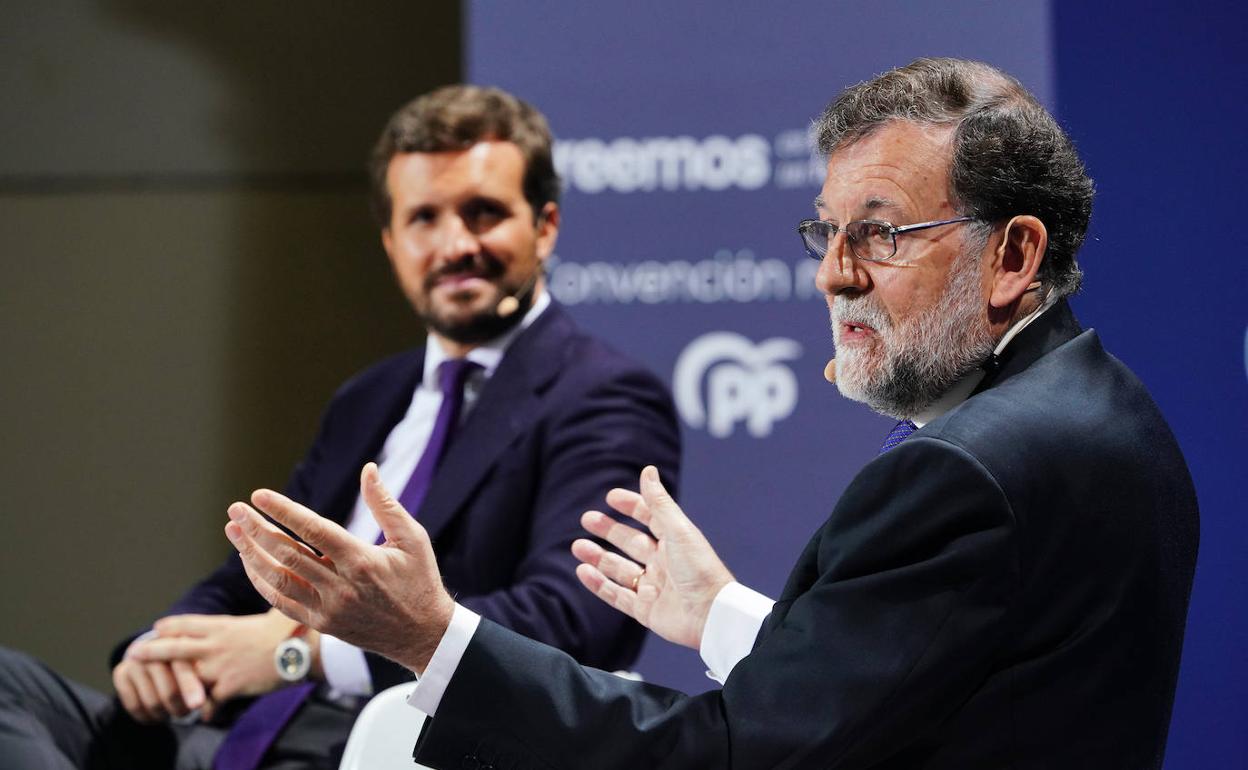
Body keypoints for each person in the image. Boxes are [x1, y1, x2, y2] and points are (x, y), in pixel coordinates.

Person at [225, 59, 1199, 769]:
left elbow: (729, 755)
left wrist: (431, 635)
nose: (833, 273)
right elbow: (920, 695)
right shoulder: (1109, 411)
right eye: (827, 231)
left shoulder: (963, 473)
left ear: (1016, 254)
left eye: (880, 233)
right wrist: (719, 613)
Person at [0, 85, 680, 769]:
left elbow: (575, 621)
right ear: (391, 242)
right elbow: (252, 576)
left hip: (393, 743)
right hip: (233, 737)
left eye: (483, 214)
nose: (455, 245)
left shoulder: (603, 394)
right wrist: (158, 653)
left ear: (545, 226)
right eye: (424, 219)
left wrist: (303, 654)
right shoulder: (370, 396)